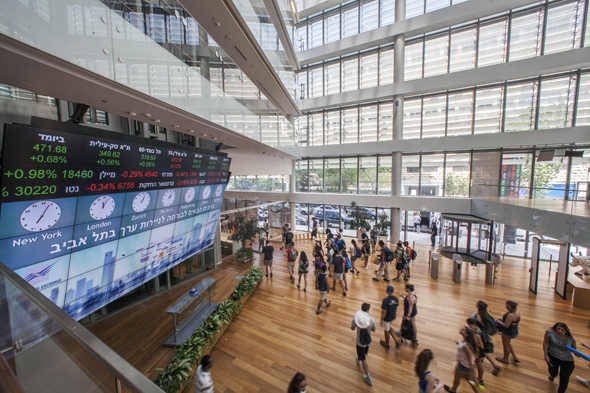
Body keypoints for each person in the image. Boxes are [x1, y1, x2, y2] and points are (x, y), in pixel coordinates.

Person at [544, 322, 577, 393]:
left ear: (566, 331)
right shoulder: (550, 333)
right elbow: (546, 343)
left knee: (564, 378)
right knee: (552, 370)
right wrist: (546, 355)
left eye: (562, 330)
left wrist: (577, 353)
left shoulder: (570, 339)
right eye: (558, 329)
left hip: (567, 360)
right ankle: (553, 375)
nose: (560, 331)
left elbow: (574, 350)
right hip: (553, 356)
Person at [445, 327, 480, 393]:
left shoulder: (465, 346)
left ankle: (453, 390)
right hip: (466, 365)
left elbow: (470, 361)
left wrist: (475, 377)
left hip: (463, 365)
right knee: (469, 379)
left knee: (457, 378)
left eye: (463, 330)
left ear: (467, 335)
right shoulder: (463, 342)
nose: (461, 329)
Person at [467, 318, 499, 386]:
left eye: (470, 326)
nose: (470, 327)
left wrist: (474, 343)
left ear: (473, 325)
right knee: (477, 363)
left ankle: (480, 379)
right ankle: (478, 378)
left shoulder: (477, 334)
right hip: (481, 352)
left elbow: (481, 346)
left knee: (479, 364)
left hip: (479, 352)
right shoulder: (480, 330)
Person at [351, 303, 377, 386]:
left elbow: (352, 328)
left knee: (363, 358)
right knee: (363, 353)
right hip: (368, 342)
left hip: (359, 343)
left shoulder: (357, 319)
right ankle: (359, 357)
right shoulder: (371, 319)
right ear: (367, 311)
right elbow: (374, 329)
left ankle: (368, 376)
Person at [472, 301, 501, 375]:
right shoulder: (486, 314)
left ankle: (494, 365)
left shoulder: (478, 316)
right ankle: (494, 365)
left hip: (480, 336)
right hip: (485, 335)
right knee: (484, 352)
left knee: (481, 351)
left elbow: (477, 327)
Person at [495, 300, 521, 365]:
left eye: (507, 306)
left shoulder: (510, 315)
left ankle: (505, 359)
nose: (506, 307)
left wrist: (499, 322)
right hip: (514, 330)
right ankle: (514, 356)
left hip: (507, 331)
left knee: (506, 345)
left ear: (511, 307)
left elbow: (506, 325)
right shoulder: (517, 313)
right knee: (508, 343)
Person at [380, 285, 401, 350]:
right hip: (393, 316)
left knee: (386, 330)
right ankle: (396, 341)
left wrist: (381, 320)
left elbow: (384, 311)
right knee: (389, 327)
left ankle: (387, 343)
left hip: (387, 318)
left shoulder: (385, 300)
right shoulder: (396, 298)